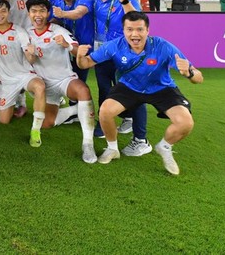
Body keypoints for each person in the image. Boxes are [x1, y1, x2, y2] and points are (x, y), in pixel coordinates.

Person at [76, 11, 204, 175]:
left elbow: (199, 77)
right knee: (105, 112)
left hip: (161, 88)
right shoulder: (114, 45)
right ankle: (112, 148)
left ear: (147, 30)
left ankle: (164, 147)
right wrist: (80, 57)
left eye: (139, 29)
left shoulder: (162, 46)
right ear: (123, 30)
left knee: (186, 123)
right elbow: (85, 63)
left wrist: (189, 74)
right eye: (129, 29)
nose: (134, 34)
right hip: (129, 87)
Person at [25, 0, 97, 163]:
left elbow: (78, 50)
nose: (38, 15)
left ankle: (88, 144)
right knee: (47, 123)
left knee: (83, 90)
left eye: (42, 11)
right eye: (34, 11)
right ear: (28, 14)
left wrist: (67, 45)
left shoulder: (58, 30)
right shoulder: (26, 34)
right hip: (45, 86)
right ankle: (75, 111)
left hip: (64, 79)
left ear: (48, 13)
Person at [0, 0, 46, 147]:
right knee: (4, 121)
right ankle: (18, 102)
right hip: (7, 82)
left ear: (8, 12)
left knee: (40, 86)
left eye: (3, 11)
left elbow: (30, 60)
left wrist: (32, 53)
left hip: (25, 75)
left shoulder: (19, 31)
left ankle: (35, 131)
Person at [90, 0, 147, 155]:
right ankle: (108, 121)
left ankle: (141, 139)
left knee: (133, 92)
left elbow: (137, 20)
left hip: (125, 52)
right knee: (105, 88)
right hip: (102, 51)